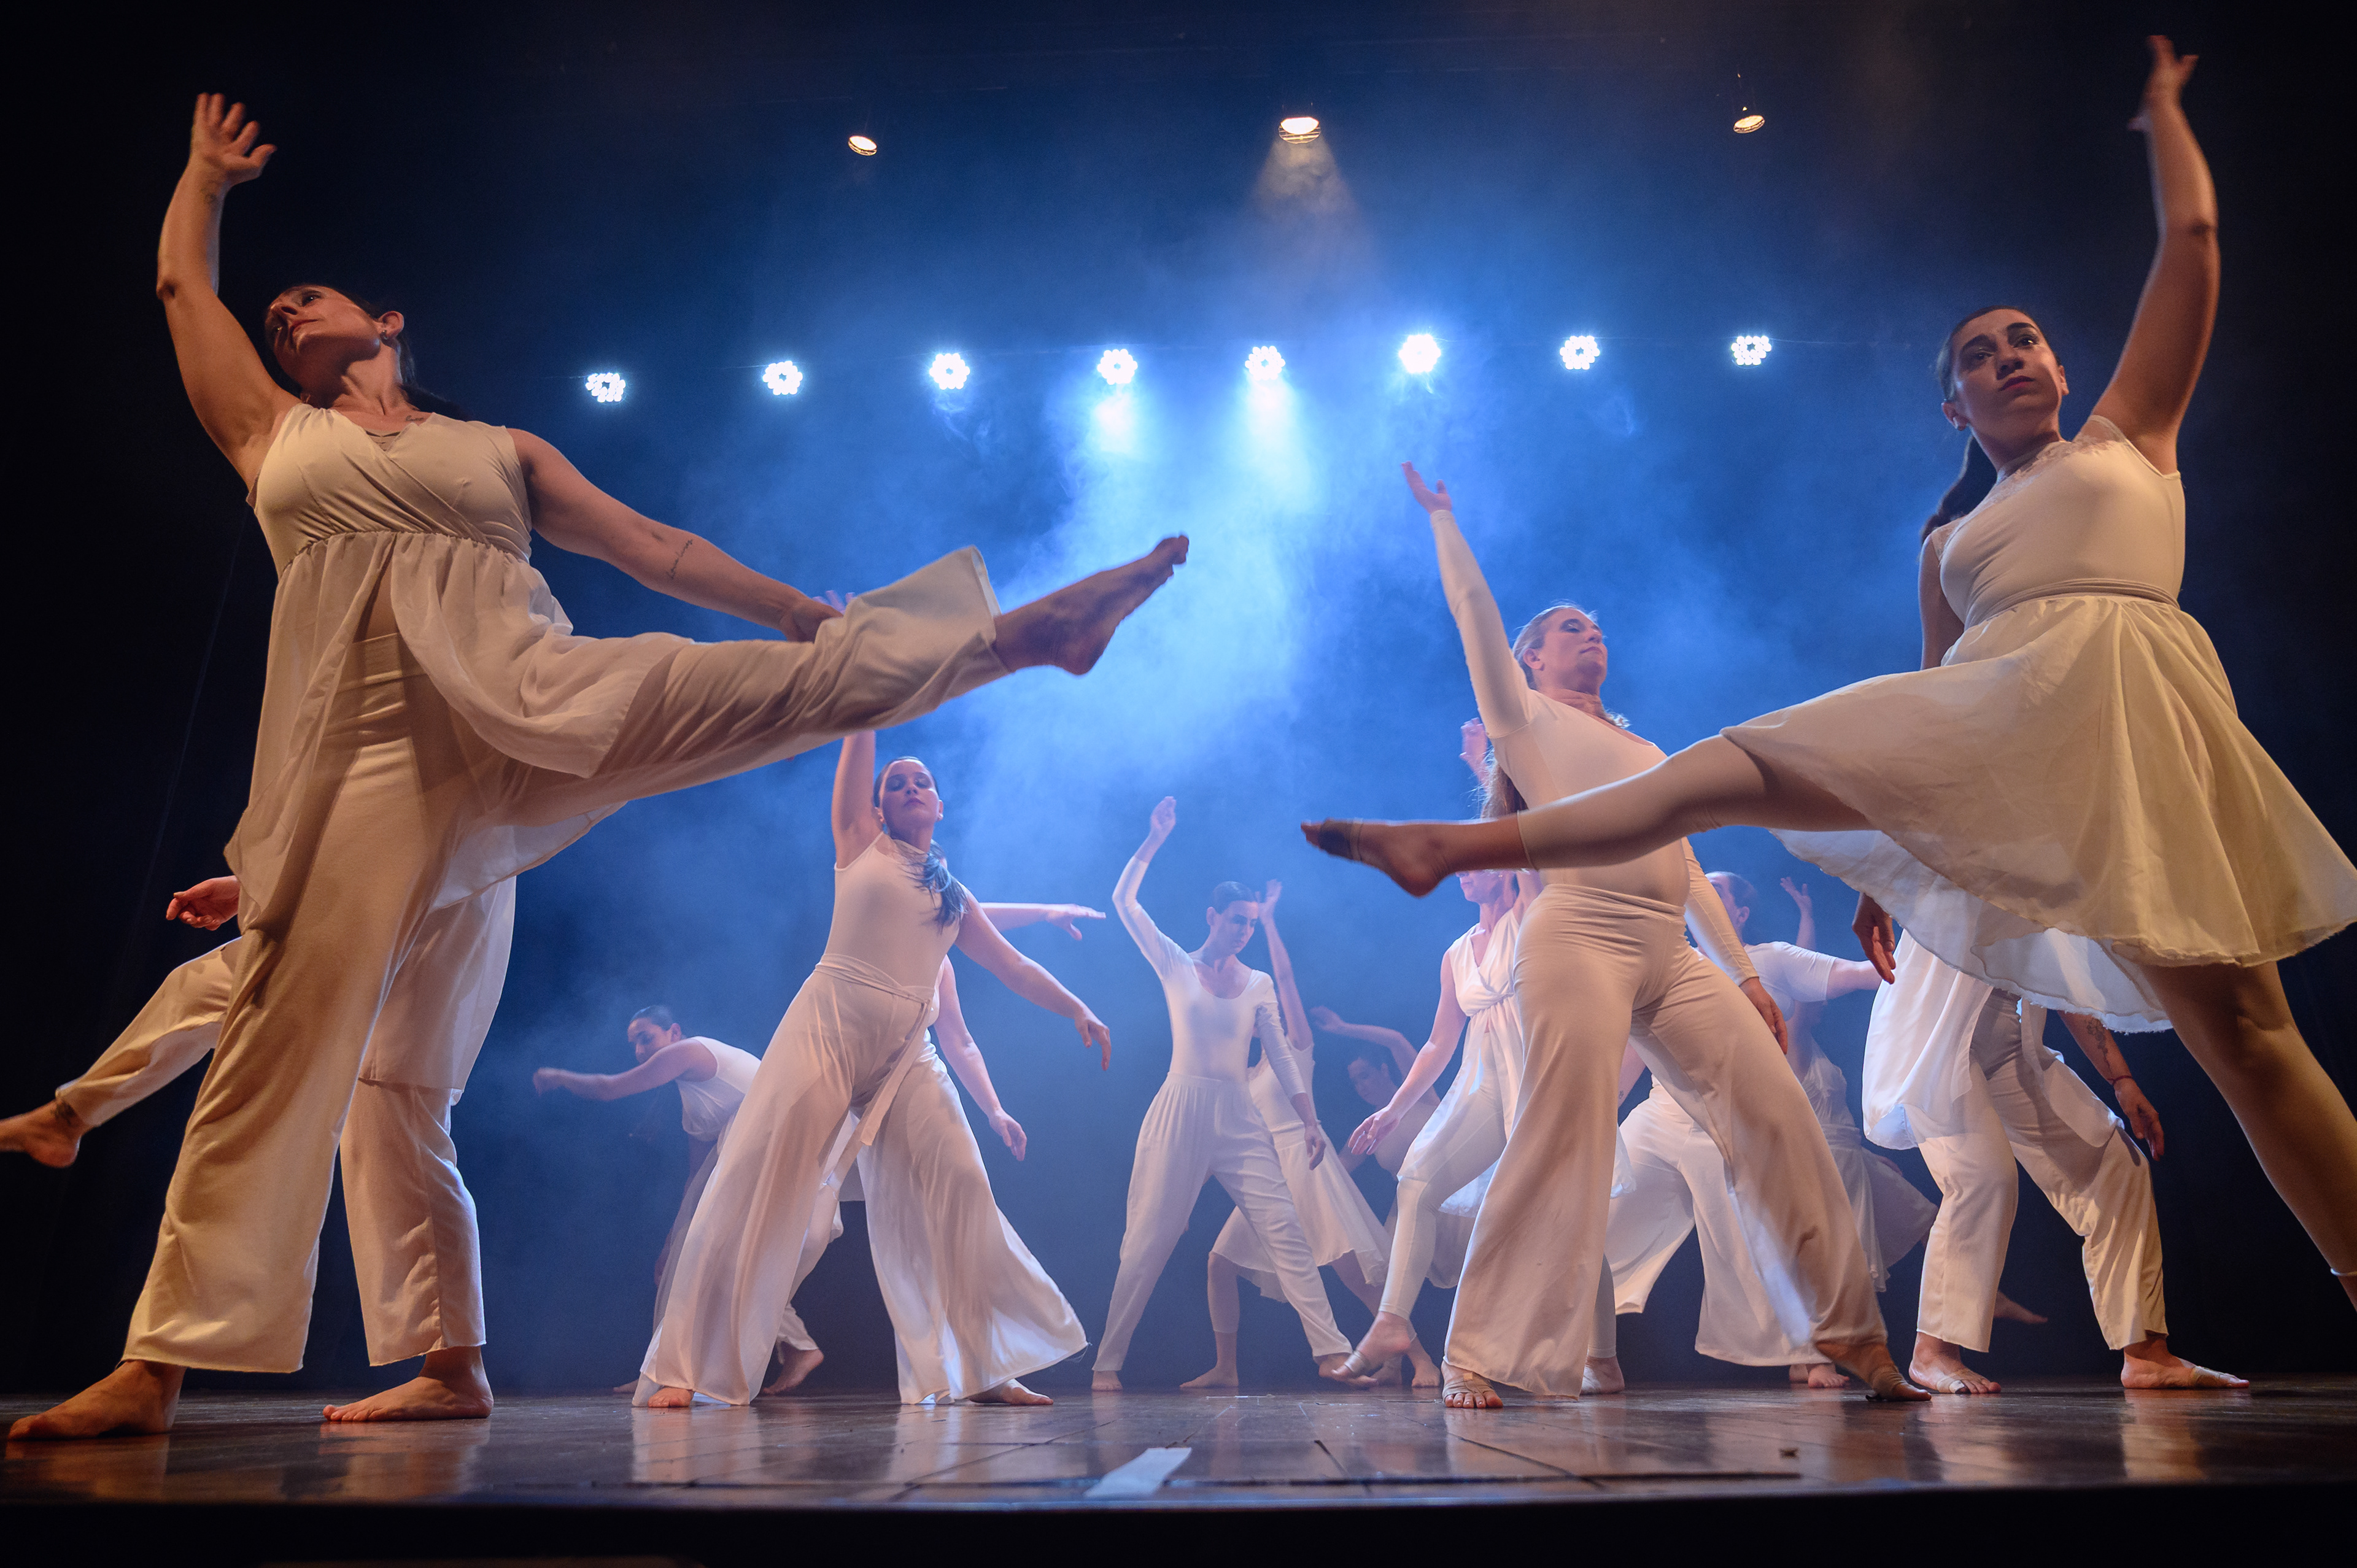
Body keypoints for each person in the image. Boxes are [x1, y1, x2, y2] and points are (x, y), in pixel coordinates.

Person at [10, 93, 1187, 1444]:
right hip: (370, 755)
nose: (282, 312)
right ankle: (218, 1362)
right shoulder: (276, 436)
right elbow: (181, 287)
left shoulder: (496, 450)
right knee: (352, 1064)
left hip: (527, 693)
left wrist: (796, 613)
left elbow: (654, 549)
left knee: (739, 690)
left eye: (310, 298)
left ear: (389, 324)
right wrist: (205, 180)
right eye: (275, 314)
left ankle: (1019, 636)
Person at [1301, 39, 2357, 1310]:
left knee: (2252, 1044)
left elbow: (2191, 242)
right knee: (1731, 764)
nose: (2011, 356)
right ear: (1955, 406)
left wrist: (2167, 112)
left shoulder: (2131, 441)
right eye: (1980, 355)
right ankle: (1455, 848)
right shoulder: (1949, 544)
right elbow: (1931, 713)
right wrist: (1884, 865)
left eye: (2026, 340)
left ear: (2063, 367)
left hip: (2140, 728)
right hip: (2006, 718)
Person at [1329, 467, 1910, 1408]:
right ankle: (1476, 1349)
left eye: (1595, 625)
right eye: (1569, 627)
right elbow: (1474, 616)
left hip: (1669, 951)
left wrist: (1745, 976)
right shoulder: (1526, 721)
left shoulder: (1648, 752)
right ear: (1530, 659)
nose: (1590, 632)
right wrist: (1444, 522)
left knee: (1779, 1110)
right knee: (1563, 1133)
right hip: (1578, 937)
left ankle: (1853, 1333)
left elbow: (1688, 868)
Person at [640, 735, 1107, 1408]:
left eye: (923, 781)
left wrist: (1077, 1008)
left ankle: (984, 1365)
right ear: (877, 806)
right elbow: (861, 731)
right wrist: (869, 693)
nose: (911, 787)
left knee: (962, 1186)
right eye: (896, 782)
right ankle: (684, 1367)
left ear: (940, 806)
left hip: (907, 1052)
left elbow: (1013, 964)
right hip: (829, 1025)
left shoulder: (952, 896)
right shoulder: (860, 841)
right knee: (755, 1174)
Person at [3, 875, 513, 1422]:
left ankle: (455, 1369)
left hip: (423, 901)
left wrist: (263, 884)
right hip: (371, 898)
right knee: (216, 987)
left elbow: (407, 831)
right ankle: (69, 1117)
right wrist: (257, 884)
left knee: (390, 1105)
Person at [1601, 870, 1938, 1388]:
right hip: (1661, 1115)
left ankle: (1813, 1352)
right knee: (1601, 1215)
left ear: (1737, 913)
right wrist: (1604, 1108)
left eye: (1717, 892)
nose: (1699, 898)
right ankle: (1591, 1351)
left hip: (1723, 1122)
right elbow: (1634, 1051)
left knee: (1755, 1241)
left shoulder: (1770, 961)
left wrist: (1923, 945)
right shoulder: (1668, 963)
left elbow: (1856, 975)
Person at [1868, 937, 2245, 1392]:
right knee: (1985, 1178)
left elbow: (2066, 986)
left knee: (2117, 1166)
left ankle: (2146, 1354)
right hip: (1937, 1037)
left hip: (2009, 1041)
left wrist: (2122, 1079)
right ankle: (1933, 1351)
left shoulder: (2056, 898)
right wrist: (1872, 903)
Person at [1094, 798, 1364, 1389]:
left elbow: (1284, 1056)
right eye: (1236, 920)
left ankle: (1331, 1351)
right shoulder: (1176, 963)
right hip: (1181, 1108)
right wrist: (1154, 838)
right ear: (1212, 916)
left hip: (1240, 1114)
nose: (1244, 931)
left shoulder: (1258, 982)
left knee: (1284, 1226)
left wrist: (1310, 1119)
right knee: (1150, 1237)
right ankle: (1107, 1363)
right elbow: (1124, 902)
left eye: (1251, 923)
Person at [1192, 881, 1420, 1388]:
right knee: (1218, 1263)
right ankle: (1226, 1368)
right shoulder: (1245, 1075)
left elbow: (1286, 978)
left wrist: (1270, 921)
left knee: (1353, 1275)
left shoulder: (1296, 1048)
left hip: (1307, 1165)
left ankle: (1419, 1359)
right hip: (1268, 1176)